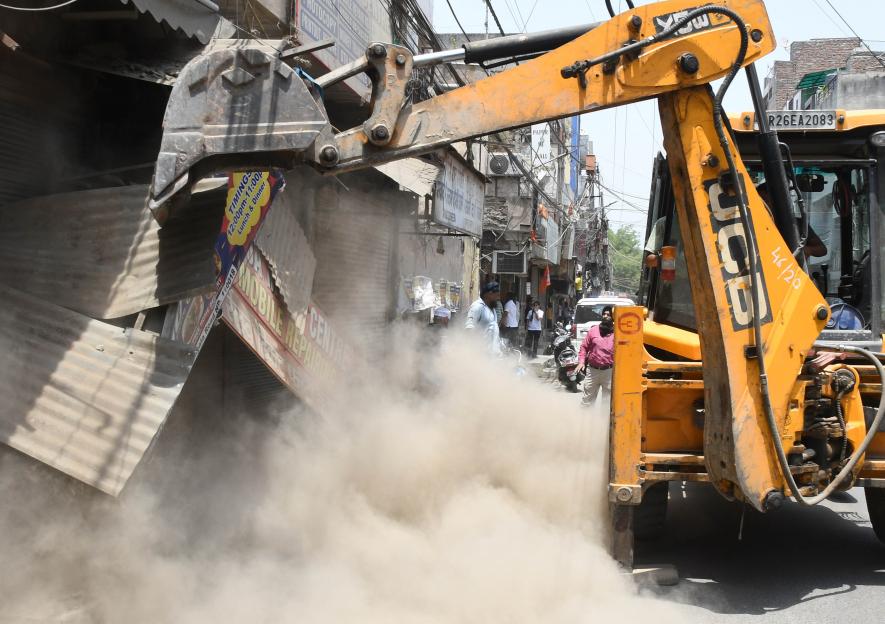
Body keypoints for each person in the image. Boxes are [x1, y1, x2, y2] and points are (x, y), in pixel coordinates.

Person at [579, 305, 615, 407]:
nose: (605, 316)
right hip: (592, 371)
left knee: (607, 403)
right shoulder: (593, 330)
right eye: (604, 314)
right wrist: (581, 362)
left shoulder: (617, 332)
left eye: (608, 314)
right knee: (587, 401)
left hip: (608, 372)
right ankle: (584, 422)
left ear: (613, 317)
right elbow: (584, 347)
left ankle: (602, 422)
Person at [465, 281, 501, 354]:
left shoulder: (492, 309)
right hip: (481, 354)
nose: (498, 298)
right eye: (496, 295)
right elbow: (469, 328)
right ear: (489, 294)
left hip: (493, 354)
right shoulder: (478, 306)